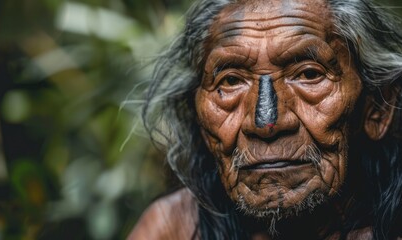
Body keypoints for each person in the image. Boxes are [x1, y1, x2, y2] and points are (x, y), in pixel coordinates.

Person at [129, 0, 402, 239]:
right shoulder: (174, 228)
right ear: (198, 117)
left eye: (308, 74)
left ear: (376, 107)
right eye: (231, 80)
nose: (266, 124)